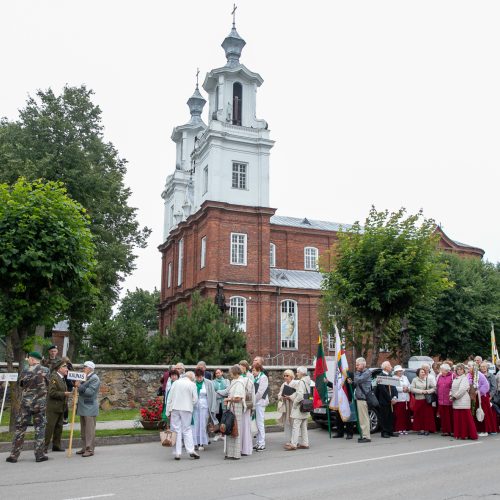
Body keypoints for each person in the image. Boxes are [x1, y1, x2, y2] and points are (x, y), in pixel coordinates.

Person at [6, 352, 49, 463]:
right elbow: (48, 385)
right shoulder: (46, 370)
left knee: (20, 428)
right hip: (40, 404)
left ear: (33, 359)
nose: (28, 361)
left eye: (29, 359)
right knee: (40, 428)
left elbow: (20, 384)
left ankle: (14, 455)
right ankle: (39, 455)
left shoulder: (25, 370)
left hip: (26, 404)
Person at [166, 371, 200, 460]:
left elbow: (169, 398)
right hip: (187, 409)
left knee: (176, 430)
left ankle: (177, 453)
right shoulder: (192, 384)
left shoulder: (176, 382)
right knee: (187, 429)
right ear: (192, 378)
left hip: (175, 408)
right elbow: (195, 399)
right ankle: (191, 450)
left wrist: (167, 412)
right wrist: (190, 404)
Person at [44, 360, 71, 452]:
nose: (67, 369)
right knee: (49, 428)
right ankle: (43, 447)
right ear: (60, 368)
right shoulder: (54, 378)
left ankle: (56, 445)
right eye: (65, 367)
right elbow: (52, 393)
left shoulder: (62, 378)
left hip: (60, 407)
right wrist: (64, 394)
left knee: (59, 428)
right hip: (53, 408)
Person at [74, 361, 101, 457]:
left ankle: (90, 450)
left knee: (89, 430)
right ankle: (85, 447)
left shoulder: (94, 378)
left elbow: (90, 392)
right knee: (84, 429)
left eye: (85, 367)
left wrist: (79, 385)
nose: (83, 368)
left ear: (90, 368)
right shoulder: (84, 376)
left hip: (89, 407)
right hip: (83, 406)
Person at [192, 368, 218, 451]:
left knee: (203, 424)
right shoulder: (192, 383)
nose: (199, 379)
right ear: (195, 377)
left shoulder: (208, 383)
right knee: (195, 424)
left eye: (201, 377)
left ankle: (202, 443)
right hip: (195, 407)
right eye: (197, 377)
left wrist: (213, 408)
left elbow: (213, 396)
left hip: (205, 406)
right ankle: (195, 443)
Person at [284, 366, 310, 450]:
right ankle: (305, 443)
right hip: (306, 405)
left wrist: (294, 404)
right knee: (303, 426)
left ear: (302, 373)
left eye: (298, 372)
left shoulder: (301, 382)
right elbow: (300, 393)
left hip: (300, 406)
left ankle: (293, 444)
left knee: (296, 425)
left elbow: (299, 395)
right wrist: (291, 396)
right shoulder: (307, 381)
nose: (296, 373)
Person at [451, 363, 478, 440]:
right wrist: (450, 395)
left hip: (463, 401)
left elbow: (462, 389)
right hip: (456, 401)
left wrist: (454, 396)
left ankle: (468, 434)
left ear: (463, 370)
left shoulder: (464, 378)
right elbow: (452, 389)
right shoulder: (455, 378)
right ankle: (460, 434)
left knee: (465, 419)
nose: (459, 371)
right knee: (458, 420)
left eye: (461, 369)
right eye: (458, 369)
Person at [224, 365, 245, 460]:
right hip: (231, 407)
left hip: (236, 408)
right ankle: (229, 453)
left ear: (235, 372)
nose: (229, 374)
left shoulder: (240, 383)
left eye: (231, 372)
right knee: (229, 429)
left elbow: (238, 398)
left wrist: (228, 399)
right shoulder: (234, 381)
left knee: (235, 430)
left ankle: (236, 454)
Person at [375, 361, 399, 438]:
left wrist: (395, 397)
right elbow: (383, 390)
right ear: (385, 367)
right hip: (384, 400)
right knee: (384, 416)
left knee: (390, 416)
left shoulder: (390, 376)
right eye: (390, 366)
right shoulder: (380, 376)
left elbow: (394, 387)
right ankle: (384, 432)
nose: (391, 367)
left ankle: (390, 431)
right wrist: (389, 399)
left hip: (391, 400)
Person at [410, 367, 436, 435]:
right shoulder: (414, 380)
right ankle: (421, 429)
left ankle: (427, 429)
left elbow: (434, 388)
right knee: (419, 415)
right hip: (418, 400)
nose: (423, 373)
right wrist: (421, 391)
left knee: (427, 416)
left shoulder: (428, 379)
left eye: (424, 372)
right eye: (421, 372)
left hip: (426, 400)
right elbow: (412, 389)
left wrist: (427, 391)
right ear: (418, 373)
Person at [353, 357, 372, 443]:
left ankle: (366, 436)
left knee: (364, 418)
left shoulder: (367, 372)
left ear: (363, 364)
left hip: (363, 398)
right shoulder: (361, 373)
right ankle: (364, 434)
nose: (356, 366)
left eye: (358, 364)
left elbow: (357, 380)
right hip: (360, 397)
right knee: (362, 418)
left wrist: (356, 373)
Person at [333, 370, 356, 440]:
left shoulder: (349, 373)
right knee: (338, 416)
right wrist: (327, 382)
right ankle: (340, 432)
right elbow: (335, 386)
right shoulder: (337, 374)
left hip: (347, 397)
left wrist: (351, 383)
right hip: (339, 398)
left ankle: (350, 433)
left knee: (348, 416)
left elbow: (353, 385)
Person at [238, 360, 255, 456]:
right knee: (241, 426)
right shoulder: (239, 378)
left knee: (245, 426)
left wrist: (253, 406)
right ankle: (241, 447)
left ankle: (246, 448)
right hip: (242, 404)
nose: (241, 367)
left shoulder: (249, 378)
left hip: (246, 403)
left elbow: (251, 392)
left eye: (242, 366)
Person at [476, 361, 497, 435]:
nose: (483, 368)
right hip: (479, 396)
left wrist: (490, 396)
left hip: (487, 396)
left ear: (487, 368)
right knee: (481, 413)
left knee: (487, 413)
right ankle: (482, 428)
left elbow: (494, 387)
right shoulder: (477, 375)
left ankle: (488, 429)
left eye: (484, 367)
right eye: (481, 367)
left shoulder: (491, 376)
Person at [252, 361, 269, 451]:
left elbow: (260, 392)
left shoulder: (263, 377)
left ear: (258, 370)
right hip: (256, 402)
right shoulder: (256, 377)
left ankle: (262, 443)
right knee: (257, 423)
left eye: (254, 370)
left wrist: (253, 401)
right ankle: (258, 442)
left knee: (260, 423)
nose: (252, 372)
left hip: (260, 402)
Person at [278, 369, 296, 444]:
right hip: (286, 406)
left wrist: (290, 397)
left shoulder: (295, 383)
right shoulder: (283, 384)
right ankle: (289, 439)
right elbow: (279, 394)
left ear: (291, 376)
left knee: (293, 423)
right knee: (287, 423)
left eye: (287, 375)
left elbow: (297, 394)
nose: (285, 377)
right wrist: (282, 397)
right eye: (284, 375)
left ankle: (294, 440)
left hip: (293, 406)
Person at [436, 363, 454, 436]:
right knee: (443, 416)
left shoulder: (453, 376)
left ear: (446, 370)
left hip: (449, 400)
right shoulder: (439, 376)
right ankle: (445, 430)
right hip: (441, 400)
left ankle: (452, 430)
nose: (441, 371)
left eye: (442, 369)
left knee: (450, 416)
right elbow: (437, 386)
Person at [393, 365, 411, 435]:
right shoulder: (394, 378)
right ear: (396, 372)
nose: (400, 372)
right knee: (399, 415)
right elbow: (395, 388)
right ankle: (399, 428)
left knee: (405, 414)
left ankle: (405, 428)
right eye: (399, 371)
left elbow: (409, 385)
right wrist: (402, 389)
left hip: (406, 398)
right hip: (399, 398)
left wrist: (407, 389)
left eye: (401, 371)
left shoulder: (405, 377)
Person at [213, 368, 229, 441]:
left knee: (224, 418)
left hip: (224, 402)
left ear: (222, 373)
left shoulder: (226, 381)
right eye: (216, 373)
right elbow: (213, 394)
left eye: (219, 372)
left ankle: (223, 434)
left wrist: (218, 391)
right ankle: (217, 434)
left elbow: (227, 391)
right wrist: (222, 393)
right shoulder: (212, 382)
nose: (218, 374)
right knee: (217, 418)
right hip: (216, 403)